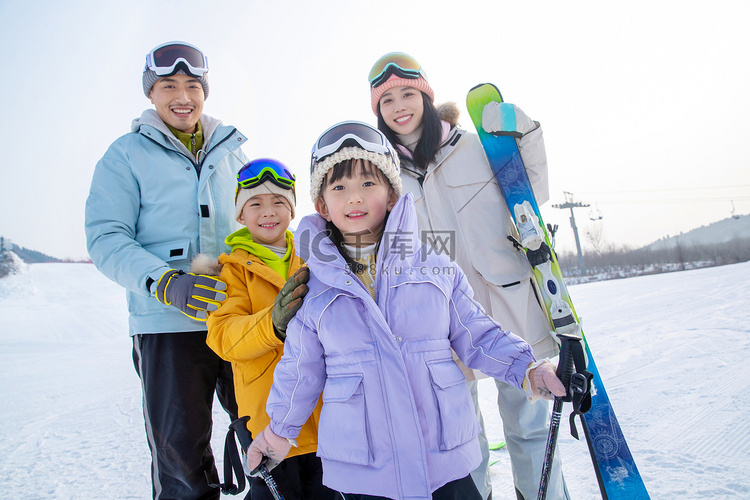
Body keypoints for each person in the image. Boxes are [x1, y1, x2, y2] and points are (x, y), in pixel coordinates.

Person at [243, 121, 566, 500]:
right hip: (365, 471)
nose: (354, 198)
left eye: (368, 183)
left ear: (393, 196)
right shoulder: (314, 289)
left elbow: (478, 333)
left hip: (445, 463)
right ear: (322, 206)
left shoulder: (435, 267)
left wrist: (527, 368)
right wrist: (277, 432)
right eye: (339, 187)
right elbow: (300, 371)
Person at [367, 52, 569, 500]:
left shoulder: (475, 148)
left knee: (529, 428)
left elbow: (531, 191)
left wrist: (527, 131)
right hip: (441, 323)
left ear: (425, 95)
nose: (399, 107)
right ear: (378, 112)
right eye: (387, 101)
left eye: (407, 94)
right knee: (462, 439)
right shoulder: (386, 178)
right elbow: (394, 253)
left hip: (511, 307)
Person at [84, 41, 247, 500]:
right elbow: (106, 237)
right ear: (151, 95)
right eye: (169, 86)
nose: (183, 96)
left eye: (193, 86)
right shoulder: (126, 155)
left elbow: (262, 225)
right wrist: (164, 282)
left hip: (238, 319)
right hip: (167, 325)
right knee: (180, 456)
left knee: (270, 438)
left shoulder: (233, 152)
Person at [202, 158, 337, 500]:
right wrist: (271, 324)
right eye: (256, 204)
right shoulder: (231, 271)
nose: (269, 212)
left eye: (279, 202)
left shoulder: (315, 257)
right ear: (240, 215)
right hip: (267, 422)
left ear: (292, 211)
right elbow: (223, 337)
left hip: (323, 416)